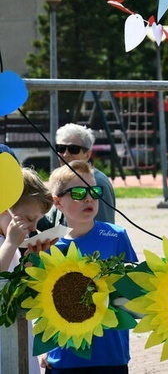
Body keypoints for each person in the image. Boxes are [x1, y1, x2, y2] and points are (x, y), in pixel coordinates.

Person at [41, 160, 137, 372]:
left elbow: (133, 291)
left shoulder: (116, 236)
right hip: (65, 358)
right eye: (77, 192)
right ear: (57, 202)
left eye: (94, 191)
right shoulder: (48, 245)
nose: (88, 198)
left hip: (111, 356)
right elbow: (43, 304)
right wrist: (45, 347)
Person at [0, 166, 55, 374]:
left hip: (19, 338)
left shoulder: (11, 242)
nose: (34, 228)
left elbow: (18, 287)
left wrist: (32, 259)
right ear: (5, 208)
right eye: (29, 219)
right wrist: (11, 244)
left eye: (37, 221)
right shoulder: (8, 242)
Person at [37, 123, 117, 230]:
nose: (65, 154)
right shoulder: (62, 180)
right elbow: (52, 224)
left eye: (73, 149)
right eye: (61, 148)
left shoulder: (96, 182)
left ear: (87, 155)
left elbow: (103, 230)